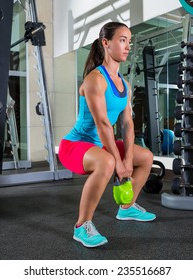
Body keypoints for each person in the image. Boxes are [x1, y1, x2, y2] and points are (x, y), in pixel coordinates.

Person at [58, 21, 155, 248]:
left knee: (146, 157)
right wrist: (120, 165)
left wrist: (129, 158)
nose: (128, 46)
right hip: (75, 146)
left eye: (129, 41)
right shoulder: (95, 79)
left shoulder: (124, 84)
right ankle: (82, 226)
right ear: (106, 43)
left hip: (100, 146)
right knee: (109, 161)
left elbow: (127, 125)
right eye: (122, 40)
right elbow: (102, 124)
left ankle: (127, 207)